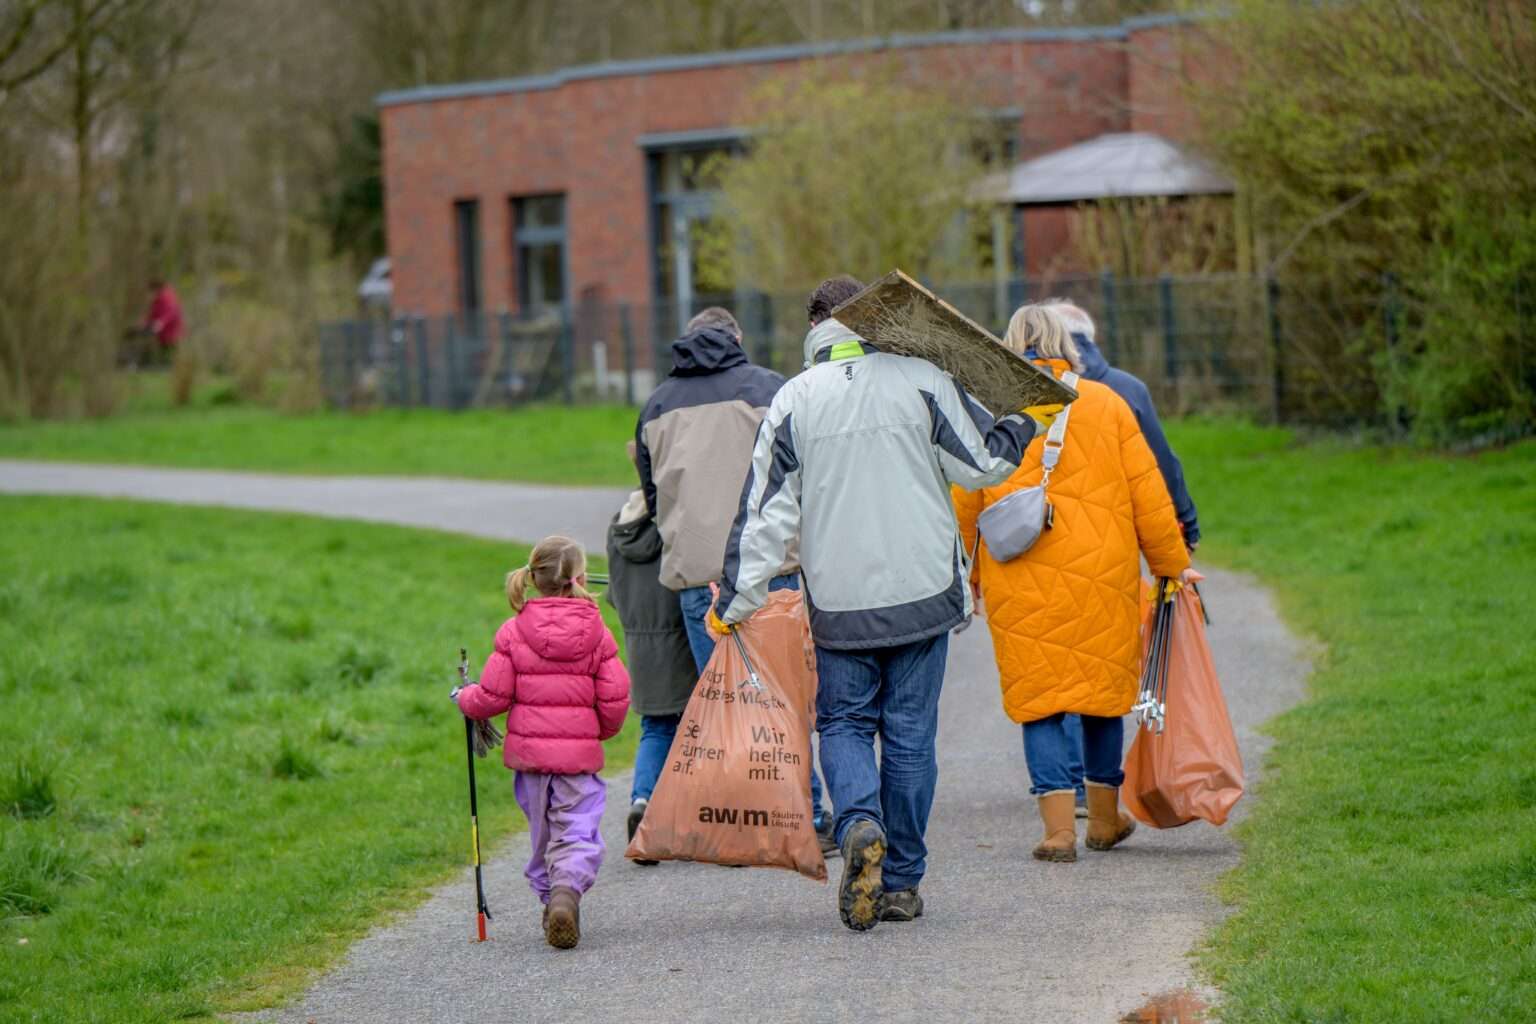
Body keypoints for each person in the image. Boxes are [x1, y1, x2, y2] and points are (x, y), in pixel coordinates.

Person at [709, 275, 1061, 931]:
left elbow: (764, 518)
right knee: (910, 738)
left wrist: (735, 601)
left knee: (841, 725)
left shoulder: (794, 401)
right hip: (923, 593)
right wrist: (1024, 420)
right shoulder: (920, 379)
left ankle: (859, 823)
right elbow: (982, 463)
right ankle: (899, 883)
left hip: (841, 604)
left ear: (814, 326)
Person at [952, 306, 1193, 865]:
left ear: (1010, 346)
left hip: (1018, 571)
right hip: (1103, 570)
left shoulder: (990, 408)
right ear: (1069, 344)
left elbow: (965, 497)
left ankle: (1057, 831)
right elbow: (1148, 495)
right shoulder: (1106, 404)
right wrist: (1169, 566)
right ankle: (1105, 822)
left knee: (1040, 700)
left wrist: (962, 573)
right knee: (1101, 694)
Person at [634, 306, 834, 853]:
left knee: (724, 702)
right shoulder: (771, 388)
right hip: (773, 569)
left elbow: (652, 497)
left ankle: (739, 820)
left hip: (700, 576)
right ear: (737, 338)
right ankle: (808, 815)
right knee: (785, 700)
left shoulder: (656, 405)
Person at [1040, 298, 1202, 817]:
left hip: (1033, 555)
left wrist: (973, 571)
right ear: (1085, 336)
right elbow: (1158, 473)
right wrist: (1179, 542)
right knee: (1099, 667)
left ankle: (1063, 794)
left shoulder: (1013, 400)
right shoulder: (1124, 392)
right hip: (1109, 554)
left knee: (1050, 672)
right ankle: (1096, 792)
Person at [453, 535, 631, 949]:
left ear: (532, 578)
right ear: (581, 578)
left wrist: (465, 699)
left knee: (544, 835)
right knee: (577, 832)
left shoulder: (514, 632)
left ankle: (552, 900)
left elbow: (493, 696)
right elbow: (615, 696)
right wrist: (597, 732)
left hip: (531, 763)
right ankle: (566, 895)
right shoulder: (597, 634)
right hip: (577, 762)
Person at [605, 443, 699, 866]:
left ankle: (643, 802)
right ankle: (697, 820)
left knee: (655, 729)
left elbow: (614, 592)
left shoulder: (619, 525)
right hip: (680, 639)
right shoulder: (673, 523)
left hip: (641, 646)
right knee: (698, 730)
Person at [140, 278, 184, 362]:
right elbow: (154, 312)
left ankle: (169, 364)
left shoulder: (167, 297)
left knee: (169, 348)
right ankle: (164, 363)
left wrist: (160, 322)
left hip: (171, 329)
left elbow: (170, 312)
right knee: (163, 347)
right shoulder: (159, 298)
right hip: (163, 330)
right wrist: (146, 322)